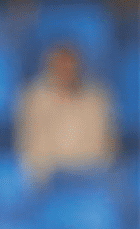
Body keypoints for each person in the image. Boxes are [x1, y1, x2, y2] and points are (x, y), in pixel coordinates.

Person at [15, 42, 118, 186]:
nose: (64, 70)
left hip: (90, 180)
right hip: (48, 183)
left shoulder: (97, 97)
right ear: (48, 67)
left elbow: (104, 148)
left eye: (70, 65)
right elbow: (32, 150)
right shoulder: (33, 98)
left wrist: (83, 173)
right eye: (58, 65)